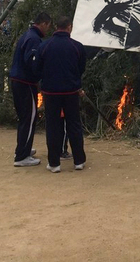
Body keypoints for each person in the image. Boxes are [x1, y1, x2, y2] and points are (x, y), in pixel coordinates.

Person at [36, 16, 87, 173]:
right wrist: (74, 80)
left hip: (51, 92)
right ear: (69, 27)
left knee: (53, 126)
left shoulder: (44, 46)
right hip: (71, 91)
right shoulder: (77, 47)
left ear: (55, 27)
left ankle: (54, 163)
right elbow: (81, 68)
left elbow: (38, 68)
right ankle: (79, 161)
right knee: (74, 124)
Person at [9, 11, 52, 167]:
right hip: (25, 83)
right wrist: (41, 75)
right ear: (43, 24)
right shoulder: (33, 39)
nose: (48, 30)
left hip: (19, 81)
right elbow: (32, 62)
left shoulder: (28, 35)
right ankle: (22, 156)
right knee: (29, 117)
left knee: (25, 117)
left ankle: (23, 148)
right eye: (48, 26)